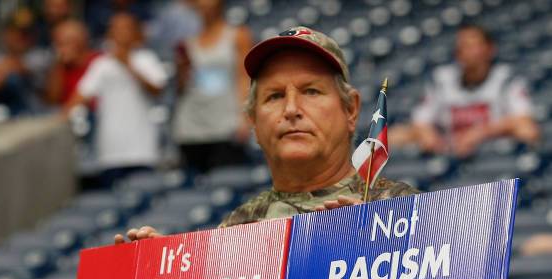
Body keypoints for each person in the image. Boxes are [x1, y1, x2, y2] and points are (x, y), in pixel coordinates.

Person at [114, 26, 416, 243]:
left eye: (311, 91)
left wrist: (383, 242)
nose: (292, 109)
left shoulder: (402, 210)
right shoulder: (235, 231)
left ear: (351, 110)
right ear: (253, 122)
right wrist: (165, 273)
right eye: (274, 96)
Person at [390, 24, 540, 157]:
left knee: (526, 130)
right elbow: (421, 120)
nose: (465, 51)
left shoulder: (507, 78)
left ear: (489, 49)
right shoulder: (441, 78)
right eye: (461, 46)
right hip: (448, 142)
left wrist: (479, 133)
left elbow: (523, 119)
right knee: (390, 137)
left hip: (490, 145)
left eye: (471, 46)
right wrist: (429, 136)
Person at [68, 12, 168, 187]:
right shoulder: (101, 64)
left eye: (126, 29)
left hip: (142, 151)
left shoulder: (146, 59)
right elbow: (81, 96)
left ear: (135, 32)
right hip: (110, 153)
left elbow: (158, 89)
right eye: (116, 29)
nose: (121, 34)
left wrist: (127, 64)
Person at [172, 0, 253, 173]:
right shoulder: (187, 43)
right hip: (191, 126)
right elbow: (181, 87)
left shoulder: (238, 35)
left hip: (226, 124)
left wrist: (244, 117)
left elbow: (243, 77)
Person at [0, 11, 45, 116]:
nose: (20, 37)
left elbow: (24, 68)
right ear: (6, 33)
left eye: (26, 33)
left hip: (31, 116)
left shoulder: (40, 55)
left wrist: (2, 71)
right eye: (16, 32)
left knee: (13, 80)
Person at [45, 20, 100, 107]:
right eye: (58, 43)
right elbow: (52, 100)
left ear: (82, 41)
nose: (61, 48)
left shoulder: (100, 62)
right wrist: (59, 65)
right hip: (69, 116)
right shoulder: (61, 67)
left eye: (66, 42)